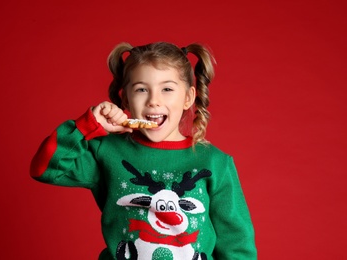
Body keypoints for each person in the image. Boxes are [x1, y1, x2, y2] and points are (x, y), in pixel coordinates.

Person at [30, 41, 257, 260]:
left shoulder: (215, 162)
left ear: (188, 97)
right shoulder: (107, 151)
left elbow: (236, 243)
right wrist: (88, 125)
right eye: (141, 89)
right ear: (126, 98)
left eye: (167, 89)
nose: (153, 101)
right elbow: (45, 168)